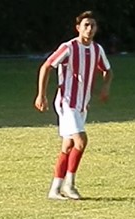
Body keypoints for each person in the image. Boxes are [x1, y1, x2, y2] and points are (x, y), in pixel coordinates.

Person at [35, 11, 113, 201]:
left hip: (81, 105)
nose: (90, 28)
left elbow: (108, 71)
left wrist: (105, 88)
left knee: (68, 146)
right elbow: (46, 66)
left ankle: (55, 189)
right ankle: (70, 185)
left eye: (93, 25)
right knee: (81, 141)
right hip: (67, 102)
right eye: (86, 25)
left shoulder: (96, 49)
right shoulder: (68, 47)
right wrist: (41, 95)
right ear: (78, 28)